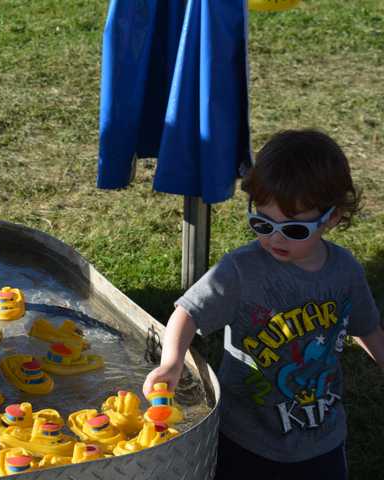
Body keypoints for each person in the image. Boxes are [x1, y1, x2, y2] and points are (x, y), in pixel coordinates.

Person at [143, 129, 384, 479]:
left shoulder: (344, 271)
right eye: (262, 222)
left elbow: (368, 328)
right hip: (245, 436)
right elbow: (188, 312)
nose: (274, 238)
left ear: (331, 218)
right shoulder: (242, 270)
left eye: (294, 229)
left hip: (321, 437)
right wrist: (171, 363)